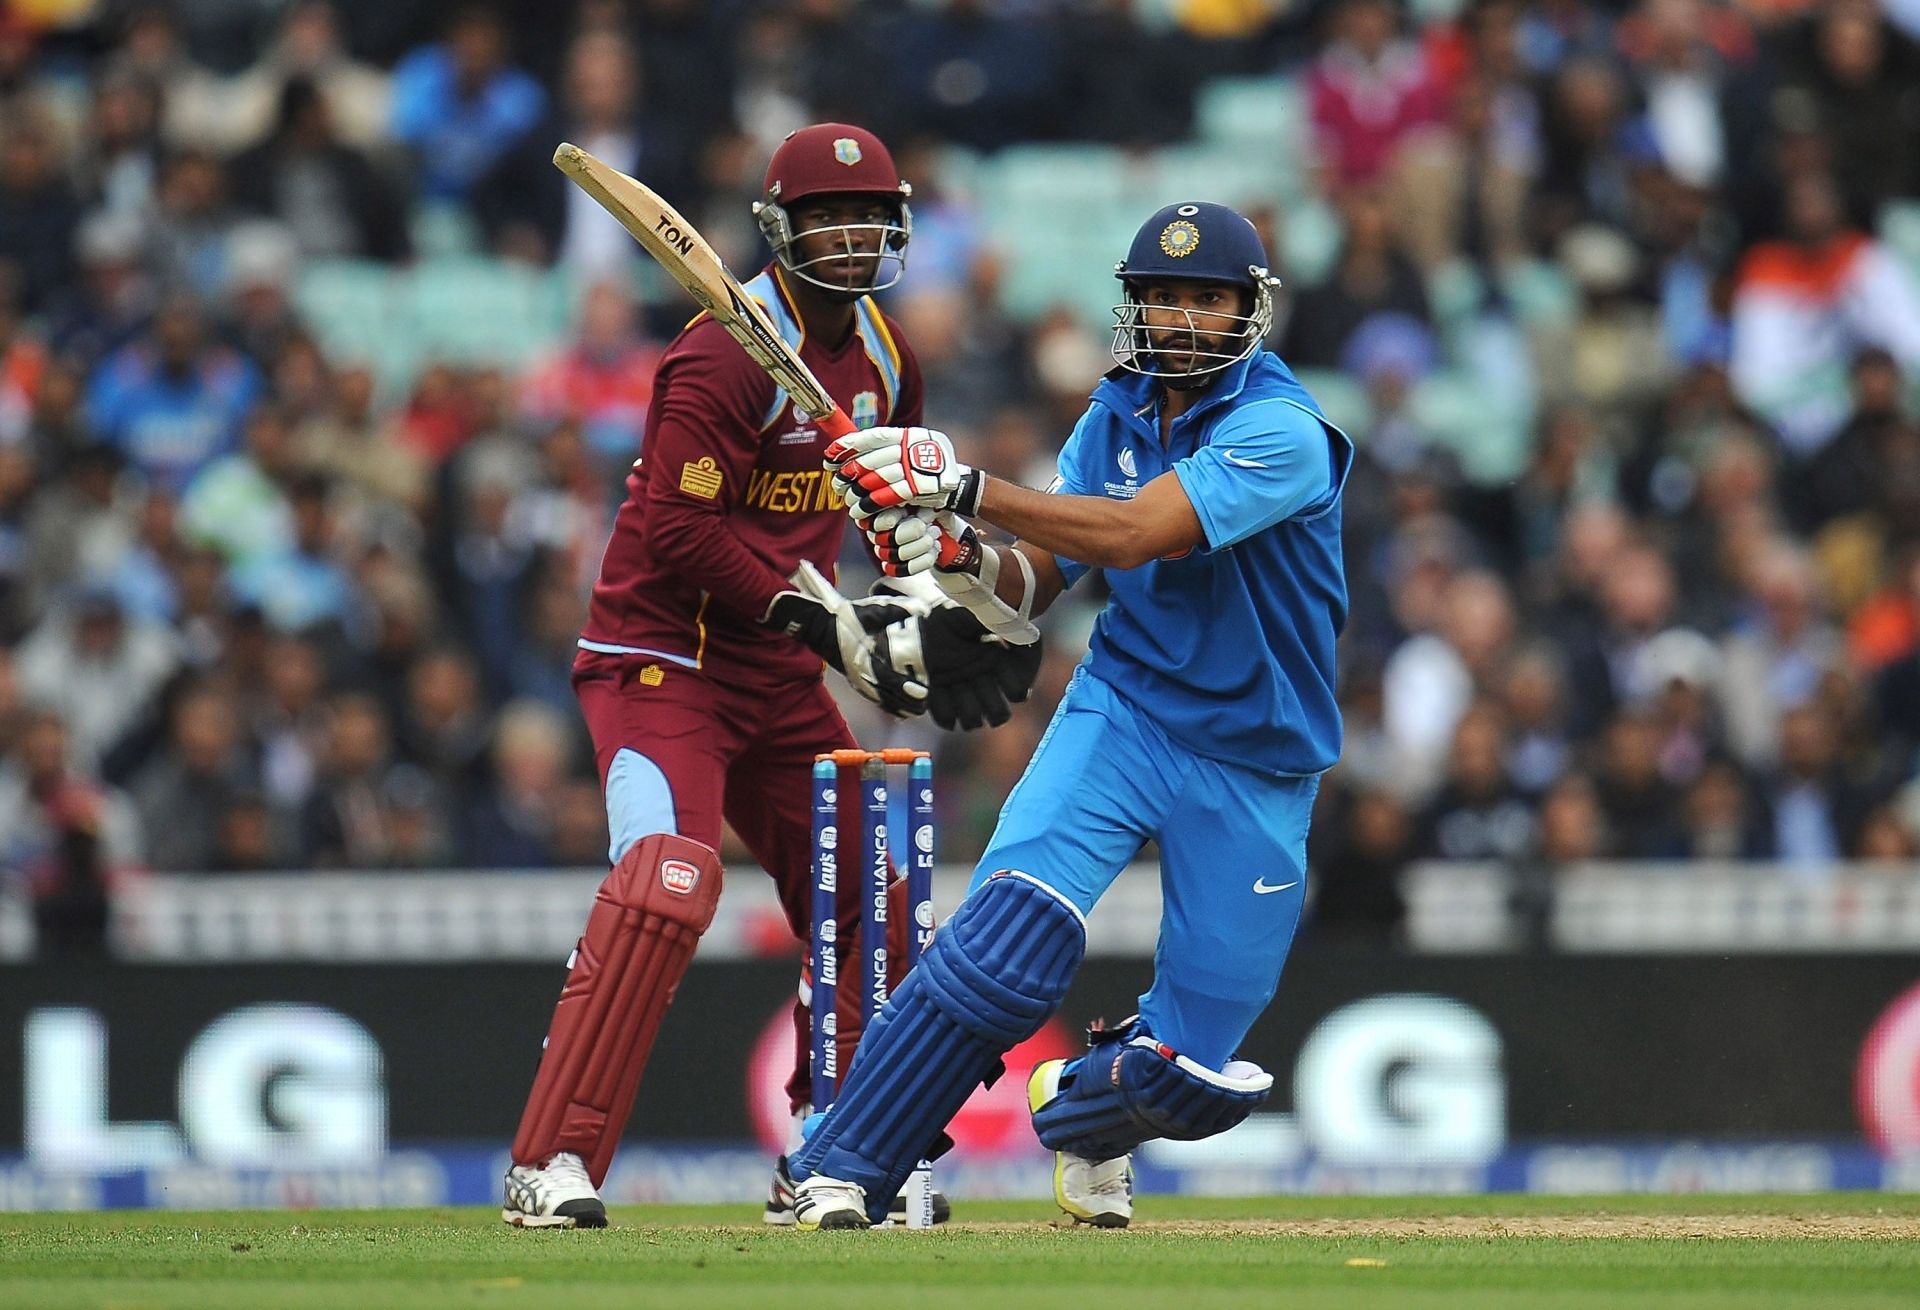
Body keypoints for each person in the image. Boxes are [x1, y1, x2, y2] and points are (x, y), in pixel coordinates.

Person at [500, 123, 1039, 1229]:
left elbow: (885, 514)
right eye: (826, 218)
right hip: (660, 656)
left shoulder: (887, 356)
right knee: (669, 878)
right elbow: (675, 531)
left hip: (776, 666)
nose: (848, 238)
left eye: (869, 218)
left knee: (874, 906)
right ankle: (551, 1162)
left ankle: (836, 1159)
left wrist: (922, 601)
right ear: (782, 230)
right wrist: (824, 620)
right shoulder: (716, 353)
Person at [791, 200, 1352, 1229]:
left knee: (1192, 1071)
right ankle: (835, 1167)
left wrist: (959, 486)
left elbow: (1136, 533)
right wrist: (959, 567)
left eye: (1207, 298)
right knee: (1008, 938)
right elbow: (1038, 576)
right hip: (1125, 707)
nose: (1182, 319)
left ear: (1249, 310)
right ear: (1132, 306)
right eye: (1163, 297)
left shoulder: (1285, 431)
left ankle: (1087, 1116)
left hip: (1258, 757)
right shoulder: (1113, 416)